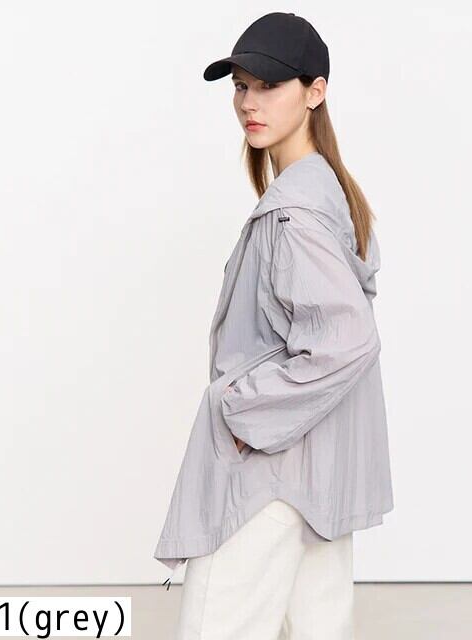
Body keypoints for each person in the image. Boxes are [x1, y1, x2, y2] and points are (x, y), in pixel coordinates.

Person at [153, 11, 394, 640]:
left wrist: (240, 410)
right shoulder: (331, 195)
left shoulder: (295, 215)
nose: (248, 103)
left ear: (315, 91)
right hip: (318, 478)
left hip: (270, 480)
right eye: (241, 86)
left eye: (269, 85)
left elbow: (346, 342)